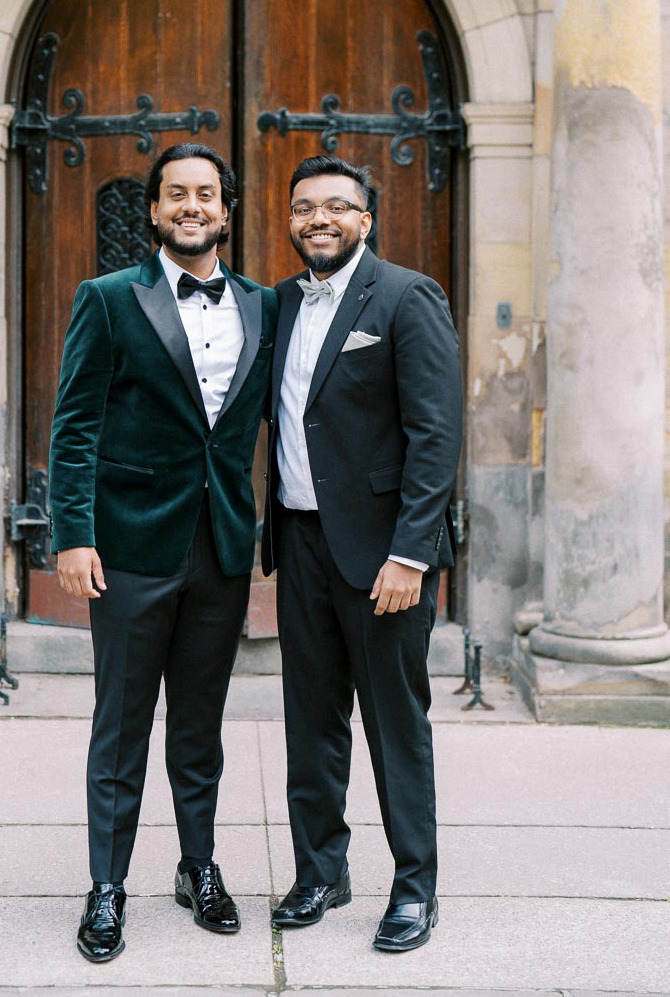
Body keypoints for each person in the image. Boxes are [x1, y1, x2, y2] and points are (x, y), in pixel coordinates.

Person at [49, 142, 277, 963]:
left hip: (220, 550)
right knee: (120, 726)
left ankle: (198, 868)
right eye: (175, 194)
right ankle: (106, 886)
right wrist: (71, 533)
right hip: (131, 549)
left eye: (205, 195)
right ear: (152, 210)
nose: (191, 206)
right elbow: (74, 425)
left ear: (227, 211)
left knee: (200, 727)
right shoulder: (109, 299)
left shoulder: (262, 305)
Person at [263, 154, 462, 954]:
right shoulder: (277, 304)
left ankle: (414, 887)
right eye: (305, 207)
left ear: (365, 220)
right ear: (289, 220)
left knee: (393, 723)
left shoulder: (408, 296)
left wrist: (411, 554)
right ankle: (321, 872)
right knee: (311, 722)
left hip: (385, 555)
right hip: (300, 540)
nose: (320, 219)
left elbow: (435, 434)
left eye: (338, 207)